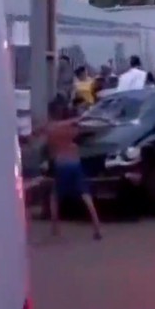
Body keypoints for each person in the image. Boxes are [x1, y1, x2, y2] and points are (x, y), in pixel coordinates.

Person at [41, 96, 103, 239]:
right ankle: (96, 226)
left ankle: (55, 228)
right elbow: (85, 130)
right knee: (85, 195)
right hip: (75, 162)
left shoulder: (50, 128)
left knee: (55, 196)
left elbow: (41, 140)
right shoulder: (72, 126)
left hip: (61, 164)